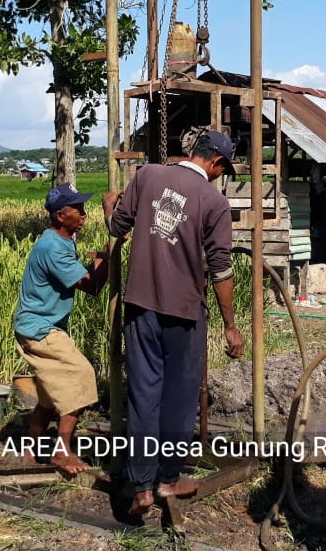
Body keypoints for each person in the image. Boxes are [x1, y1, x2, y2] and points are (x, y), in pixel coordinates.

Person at [103, 130, 246, 517]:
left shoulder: (147, 175)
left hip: (141, 305)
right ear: (215, 162)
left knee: (144, 394)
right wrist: (230, 325)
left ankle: (140, 483)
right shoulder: (214, 202)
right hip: (184, 313)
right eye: (223, 169)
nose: (220, 175)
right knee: (180, 399)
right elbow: (221, 269)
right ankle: (167, 478)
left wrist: (107, 208)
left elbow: (117, 228)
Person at [13, 182, 111, 476]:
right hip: (41, 329)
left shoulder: (59, 239)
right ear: (59, 216)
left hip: (37, 326)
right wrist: (109, 249)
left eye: (83, 207)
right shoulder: (53, 248)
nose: (83, 214)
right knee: (81, 374)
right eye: (76, 209)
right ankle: (61, 450)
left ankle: (30, 452)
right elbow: (92, 286)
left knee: (47, 394)